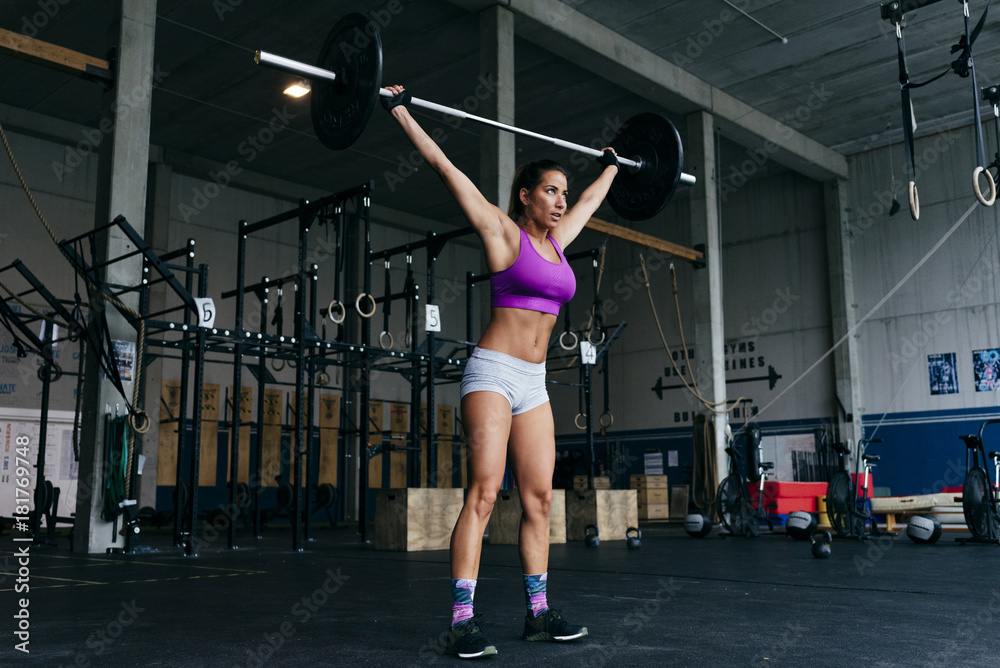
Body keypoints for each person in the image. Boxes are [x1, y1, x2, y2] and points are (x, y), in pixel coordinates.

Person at [382, 84, 620, 660]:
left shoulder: (559, 244)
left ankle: (537, 615)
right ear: (525, 196)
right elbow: (445, 168)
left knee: (539, 500)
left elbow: (592, 203)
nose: (561, 202)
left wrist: (616, 164)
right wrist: (399, 110)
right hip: (492, 374)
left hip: (534, 384)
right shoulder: (502, 232)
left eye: (564, 193)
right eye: (551, 191)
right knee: (485, 495)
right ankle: (462, 620)